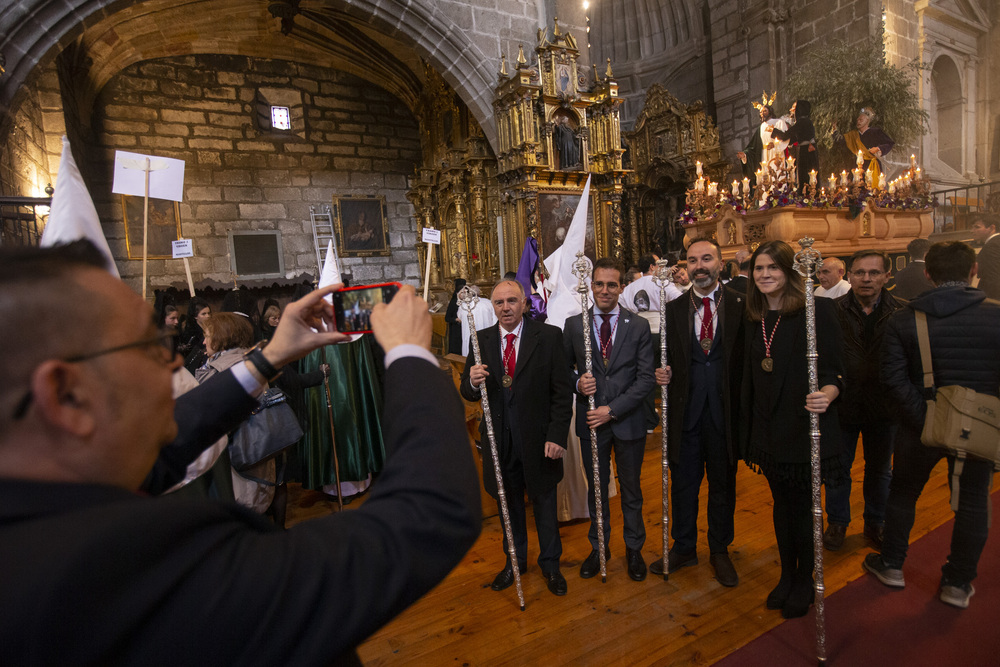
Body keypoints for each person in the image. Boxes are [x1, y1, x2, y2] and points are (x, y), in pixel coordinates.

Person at [0, 241, 482, 664]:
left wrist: (270, 357)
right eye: (149, 345)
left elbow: (170, 443)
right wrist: (411, 355)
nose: (172, 360)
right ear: (67, 395)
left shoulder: (46, 500)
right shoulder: (130, 573)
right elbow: (427, 516)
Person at [865, 241, 1000, 609]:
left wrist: (926, 420)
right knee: (973, 502)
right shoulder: (996, 315)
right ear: (973, 270)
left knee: (904, 493)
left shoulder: (905, 319)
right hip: (979, 427)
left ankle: (891, 564)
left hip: (917, 424)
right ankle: (957, 584)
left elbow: (891, 379)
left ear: (927, 273)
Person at [741, 240, 845, 619]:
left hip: (803, 425)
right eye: (759, 268)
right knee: (781, 507)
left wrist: (830, 391)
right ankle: (787, 574)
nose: (765, 275)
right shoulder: (753, 316)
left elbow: (838, 366)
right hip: (768, 429)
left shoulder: (817, 310)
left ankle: (805, 578)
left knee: (804, 508)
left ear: (789, 271)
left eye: (773, 268)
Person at [460, 280, 573, 596]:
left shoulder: (548, 337)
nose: (506, 307)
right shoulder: (480, 339)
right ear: (492, 307)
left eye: (512, 300)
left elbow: (561, 394)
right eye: (499, 302)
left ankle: (550, 565)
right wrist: (471, 380)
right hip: (500, 442)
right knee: (508, 507)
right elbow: (468, 393)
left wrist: (556, 435)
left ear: (524, 303)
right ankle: (515, 563)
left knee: (545, 506)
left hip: (539, 441)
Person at [649, 238, 745, 587]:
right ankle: (684, 547)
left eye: (707, 259)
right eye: (693, 260)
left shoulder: (739, 305)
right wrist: (664, 372)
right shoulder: (673, 309)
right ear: (685, 266)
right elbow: (669, 357)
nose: (699, 265)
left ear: (721, 263)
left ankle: (719, 549)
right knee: (684, 485)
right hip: (686, 413)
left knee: (723, 484)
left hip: (724, 413)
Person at [564, 257, 656, 582]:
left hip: (626, 421)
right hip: (591, 424)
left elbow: (646, 380)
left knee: (631, 490)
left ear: (621, 287)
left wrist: (611, 409)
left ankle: (634, 548)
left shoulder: (639, 325)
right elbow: (563, 371)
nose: (605, 290)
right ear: (591, 286)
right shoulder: (575, 325)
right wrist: (577, 382)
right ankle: (598, 547)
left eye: (612, 284)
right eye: (599, 284)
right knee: (597, 490)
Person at [822, 250, 906, 551]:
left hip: (884, 406)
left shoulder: (902, 311)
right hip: (842, 404)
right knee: (837, 469)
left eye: (873, 273)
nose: (866, 279)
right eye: (860, 273)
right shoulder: (830, 310)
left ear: (886, 276)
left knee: (880, 470)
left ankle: (875, 521)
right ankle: (838, 522)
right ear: (850, 275)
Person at [835, 107, 894, 188]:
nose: (858, 121)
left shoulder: (876, 132)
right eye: (858, 120)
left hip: (872, 165)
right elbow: (840, 140)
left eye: (861, 120)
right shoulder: (853, 135)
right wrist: (834, 130)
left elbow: (889, 143)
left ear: (867, 121)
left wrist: (878, 148)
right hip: (856, 166)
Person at [770, 100, 818, 192]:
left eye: (794, 108)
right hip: (806, 150)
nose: (791, 110)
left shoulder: (802, 122)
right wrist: (776, 144)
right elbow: (793, 139)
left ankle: (807, 195)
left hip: (806, 151)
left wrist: (773, 130)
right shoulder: (805, 121)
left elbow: (786, 136)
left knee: (806, 175)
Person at [738, 102, 789, 189]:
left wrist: (776, 145)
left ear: (770, 111)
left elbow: (786, 137)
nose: (762, 113)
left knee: (778, 175)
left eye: (765, 110)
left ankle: (780, 198)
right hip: (764, 156)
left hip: (776, 153)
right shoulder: (761, 127)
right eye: (761, 112)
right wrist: (745, 155)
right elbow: (754, 146)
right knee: (766, 179)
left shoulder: (780, 122)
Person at [970, 212, 1000, 299]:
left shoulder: (993, 245)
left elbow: (994, 277)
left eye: (977, 227)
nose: (972, 231)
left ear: (992, 228)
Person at [445, 277, 468, 355]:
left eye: (465, 292)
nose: (464, 294)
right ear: (458, 293)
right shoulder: (453, 302)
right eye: (462, 292)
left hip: (465, 328)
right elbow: (447, 318)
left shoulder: (467, 301)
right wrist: (456, 319)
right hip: (456, 331)